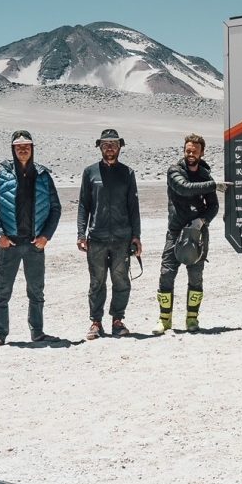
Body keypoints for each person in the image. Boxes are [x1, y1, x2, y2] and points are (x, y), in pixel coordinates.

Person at [0, 130, 63, 346]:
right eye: (19, 146)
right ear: (13, 148)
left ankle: (37, 332)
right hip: (9, 243)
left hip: (34, 243)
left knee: (36, 291)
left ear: (32, 147)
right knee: (1, 292)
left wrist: (46, 236)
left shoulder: (43, 176)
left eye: (26, 145)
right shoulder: (2, 175)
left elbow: (56, 208)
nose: (23, 149)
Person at [155, 133, 231, 334]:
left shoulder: (205, 175)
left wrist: (202, 221)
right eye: (188, 150)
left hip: (197, 233)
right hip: (175, 232)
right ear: (184, 151)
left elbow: (213, 206)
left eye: (194, 151)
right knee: (166, 275)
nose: (190, 154)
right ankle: (164, 320)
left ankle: (192, 319)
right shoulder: (174, 171)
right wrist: (214, 185)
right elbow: (184, 188)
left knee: (196, 277)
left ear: (202, 153)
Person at [76, 128, 142, 339]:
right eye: (106, 144)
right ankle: (96, 322)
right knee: (97, 281)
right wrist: (81, 233)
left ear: (120, 146)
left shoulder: (127, 173)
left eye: (114, 144)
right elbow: (83, 205)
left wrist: (136, 236)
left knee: (121, 280)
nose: (110, 148)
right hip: (96, 237)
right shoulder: (90, 172)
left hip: (122, 238)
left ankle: (117, 320)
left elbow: (134, 207)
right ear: (100, 147)